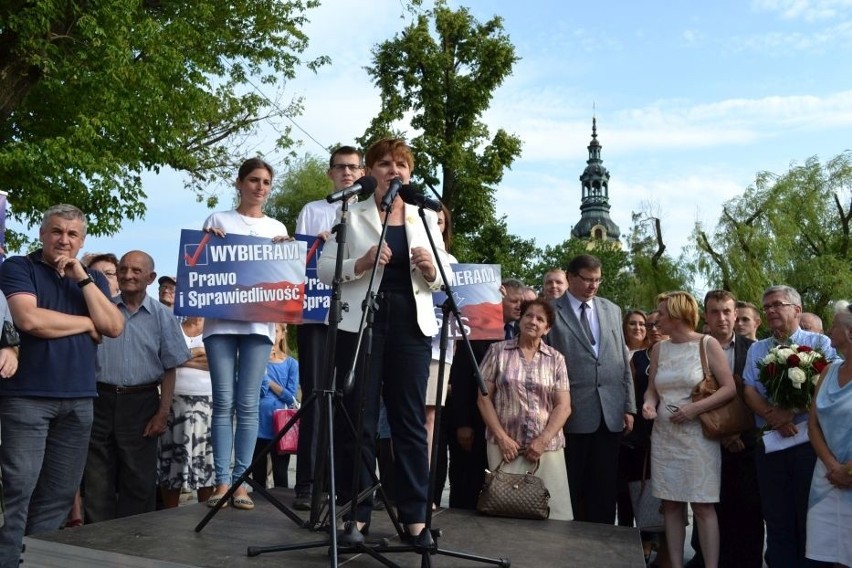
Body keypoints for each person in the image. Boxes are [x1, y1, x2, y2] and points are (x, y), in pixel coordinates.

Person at [316, 138, 448, 544]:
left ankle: (415, 518)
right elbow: (324, 269)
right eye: (386, 163)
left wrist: (431, 270)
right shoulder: (351, 214)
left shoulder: (425, 216)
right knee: (360, 420)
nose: (395, 170)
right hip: (362, 322)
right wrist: (361, 262)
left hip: (410, 323)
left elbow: (444, 277)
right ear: (370, 170)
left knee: (409, 422)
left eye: (402, 165)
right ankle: (354, 517)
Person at [0, 204, 124, 567]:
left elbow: (114, 327)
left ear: (81, 240)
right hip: (27, 398)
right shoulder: (19, 267)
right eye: (56, 232)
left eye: (72, 235)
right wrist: (87, 325)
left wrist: (83, 279)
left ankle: (32, 558)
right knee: (20, 488)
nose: (63, 240)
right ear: (42, 234)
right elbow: (29, 319)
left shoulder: (93, 280)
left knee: (58, 493)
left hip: (79, 400)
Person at [202, 158, 290, 511]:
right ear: (239, 183)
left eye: (266, 182)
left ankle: (242, 483)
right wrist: (209, 243)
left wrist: (287, 251)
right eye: (253, 180)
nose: (260, 187)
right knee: (223, 402)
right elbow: (201, 266)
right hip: (221, 323)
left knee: (249, 403)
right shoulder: (218, 220)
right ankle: (222, 481)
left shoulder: (277, 226)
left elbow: (285, 277)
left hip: (259, 325)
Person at [84, 250, 189, 522]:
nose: (128, 275)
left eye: (136, 271)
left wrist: (162, 413)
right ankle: (97, 541)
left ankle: (135, 541)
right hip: (100, 399)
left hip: (142, 403)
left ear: (151, 278)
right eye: (124, 269)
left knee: (139, 479)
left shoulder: (163, 317)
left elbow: (170, 368)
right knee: (97, 478)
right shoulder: (102, 309)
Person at [743, 285, 837, 568]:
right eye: (767, 306)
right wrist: (772, 416)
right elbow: (748, 389)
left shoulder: (819, 344)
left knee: (808, 515)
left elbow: (827, 385)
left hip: (809, 445)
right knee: (776, 516)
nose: (770, 310)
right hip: (771, 445)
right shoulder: (758, 348)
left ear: (796, 309)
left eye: (777, 304)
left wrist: (791, 411)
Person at [641, 291, 736, 568]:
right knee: (670, 505)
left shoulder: (707, 344)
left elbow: (729, 389)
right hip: (665, 436)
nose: (656, 318)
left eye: (661, 313)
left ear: (676, 315)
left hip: (697, 437)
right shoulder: (659, 348)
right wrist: (648, 405)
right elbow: (651, 391)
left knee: (703, 505)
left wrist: (694, 409)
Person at [292, 145, 364, 510]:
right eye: (341, 168)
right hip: (317, 315)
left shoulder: (369, 211)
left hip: (355, 315)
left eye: (353, 167)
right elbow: (301, 260)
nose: (347, 173)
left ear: (362, 171)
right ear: (330, 173)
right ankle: (307, 482)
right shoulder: (313, 211)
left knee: (351, 399)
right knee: (317, 396)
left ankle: (348, 484)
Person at [547, 254, 635, 524]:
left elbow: (622, 360)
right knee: (571, 488)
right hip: (571, 414)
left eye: (597, 280)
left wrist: (629, 406)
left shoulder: (611, 309)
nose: (592, 286)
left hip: (610, 412)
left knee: (604, 489)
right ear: (571, 277)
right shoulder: (551, 310)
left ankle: (603, 550)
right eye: (586, 279)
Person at [476, 297, 573, 520]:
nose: (533, 321)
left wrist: (543, 440)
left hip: (546, 450)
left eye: (540, 319)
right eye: (529, 315)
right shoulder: (497, 351)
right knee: (504, 512)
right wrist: (502, 438)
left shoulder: (556, 359)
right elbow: (483, 399)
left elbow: (564, 406)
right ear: (520, 320)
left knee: (554, 517)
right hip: (506, 449)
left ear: (547, 328)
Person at [686, 290, 763, 568]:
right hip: (704, 438)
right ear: (705, 316)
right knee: (708, 507)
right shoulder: (693, 349)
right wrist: (723, 432)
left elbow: (756, 393)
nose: (722, 317)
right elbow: (689, 393)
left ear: (735, 313)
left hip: (745, 442)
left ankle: (748, 562)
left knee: (748, 508)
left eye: (727, 311)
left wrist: (737, 433)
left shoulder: (754, 349)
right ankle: (705, 559)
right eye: (715, 312)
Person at [447, 278, 526, 509]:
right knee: (467, 484)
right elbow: (462, 378)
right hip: (473, 423)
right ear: (498, 301)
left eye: (522, 301)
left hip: (503, 427)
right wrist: (463, 423)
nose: (519, 306)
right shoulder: (476, 330)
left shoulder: (518, 335)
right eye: (513, 301)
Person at [617, 309, 670, 566]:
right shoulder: (637, 358)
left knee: (663, 500)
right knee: (633, 492)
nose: (654, 329)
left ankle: (663, 552)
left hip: (671, 436)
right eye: (650, 325)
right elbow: (627, 391)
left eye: (658, 324)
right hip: (637, 436)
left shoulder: (680, 354)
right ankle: (630, 548)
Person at [805, 300, 852, 567]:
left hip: (849, 476)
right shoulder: (828, 370)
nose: (829, 330)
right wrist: (834, 467)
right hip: (827, 479)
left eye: (834, 325)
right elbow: (813, 426)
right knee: (830, 555)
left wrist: (849, 471)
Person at [157, 315, 215, 508]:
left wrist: (181, 358)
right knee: (170, 463)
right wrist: (198, 353)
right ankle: (168, 514)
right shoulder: (173, 327)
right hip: (173, 403)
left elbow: (214, 362)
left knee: (205, 463)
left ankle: (204, 513)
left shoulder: (214, 328)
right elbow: (164, 359)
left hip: (207, 405)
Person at [250, 323, 299, 489]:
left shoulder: (291, 364)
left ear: (282, 334)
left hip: (280, 424)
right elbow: (259, 392)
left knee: (280, 472)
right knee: (258, 473)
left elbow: (290, 396)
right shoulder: (258, 362)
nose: (272, 335)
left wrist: (269, 381)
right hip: (258, 422)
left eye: (275, 331)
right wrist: (262, 364)